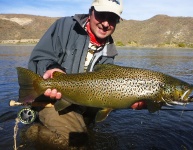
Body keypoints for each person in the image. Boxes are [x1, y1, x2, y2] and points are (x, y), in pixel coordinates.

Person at [26, 0, 144, 149]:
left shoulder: (110, 52)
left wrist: (126, 100)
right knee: (76, 144)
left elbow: (105, 90)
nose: (106, 23)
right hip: (52, 98)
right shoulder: (65, 26)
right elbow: (40, 57)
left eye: (112, 18)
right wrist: (51, 68)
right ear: (91, 12)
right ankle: (34, 132)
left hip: (82, 106)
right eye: (102, 15)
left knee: (87, 140)